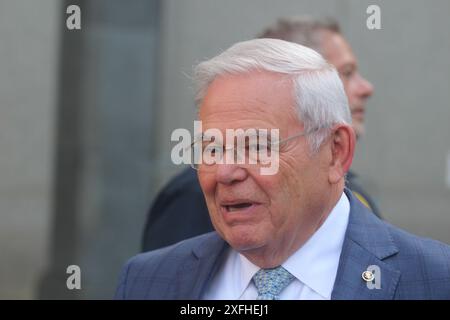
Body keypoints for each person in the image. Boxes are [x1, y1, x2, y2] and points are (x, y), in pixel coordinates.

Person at [116, 39, 450, 299]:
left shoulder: (435, 280)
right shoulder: (149, 280)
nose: (225, 172)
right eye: (212, 148)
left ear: (336, 152)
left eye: (257, 146)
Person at [142, 16, 378, 252]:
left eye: (258, 147)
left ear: (337, 151)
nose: (366, 88)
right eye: (345, 73)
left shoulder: (354, 202)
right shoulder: (194, 197)